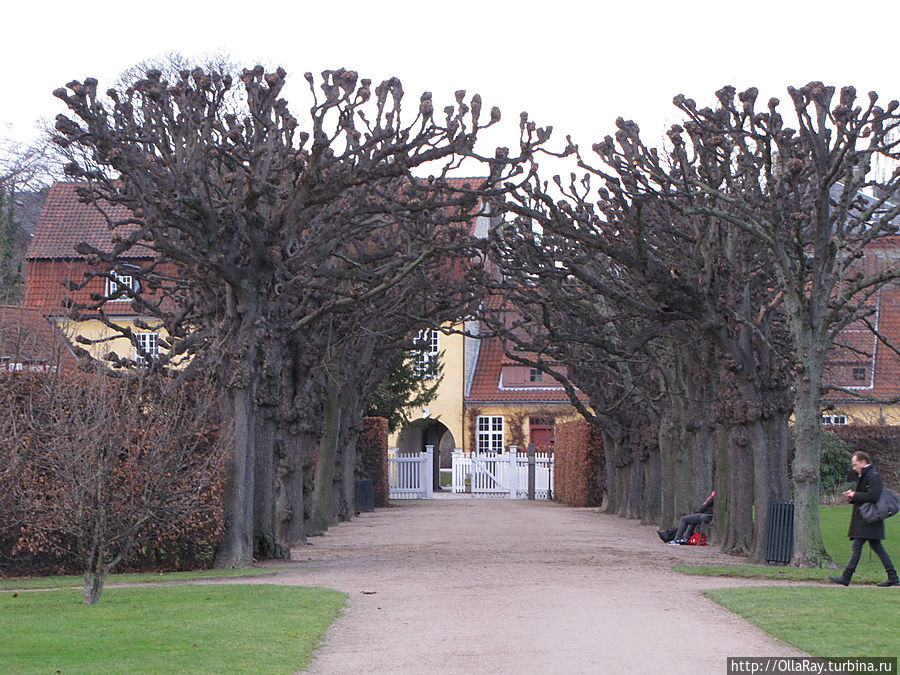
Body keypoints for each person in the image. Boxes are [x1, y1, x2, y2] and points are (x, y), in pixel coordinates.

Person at [829, 451, 899, 587]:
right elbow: (867, 495)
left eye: (855, 465)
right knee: (877, 548)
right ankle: (893, 577)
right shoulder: (867, 475)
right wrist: (853, 496)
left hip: (868, 519)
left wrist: (855, 495)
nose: (854, 468)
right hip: (868, 519)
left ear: (863, 462)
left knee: (857, 547)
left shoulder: (872, 475)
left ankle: (846, 577)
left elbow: (874, 496)